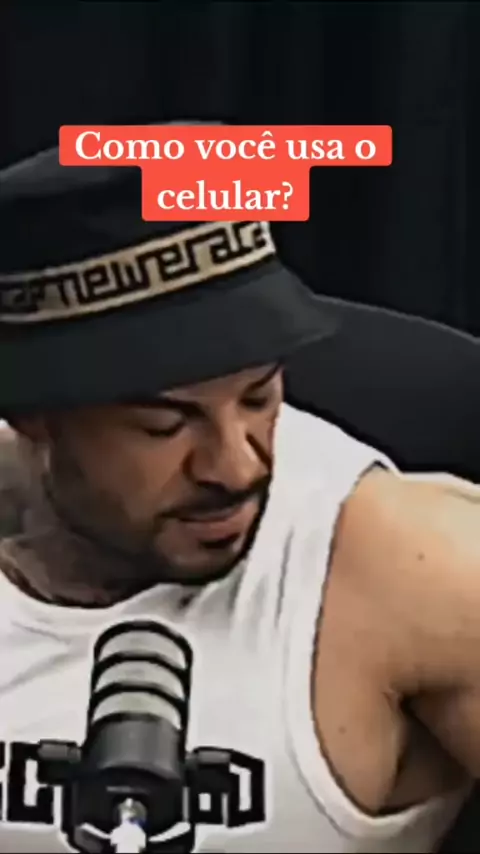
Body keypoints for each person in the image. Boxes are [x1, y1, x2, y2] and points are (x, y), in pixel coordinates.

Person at [0, 139, 479, 854]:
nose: (236, 465)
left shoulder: (418, 567)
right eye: (165, 425)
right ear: (34, 415)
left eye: (259, 397)